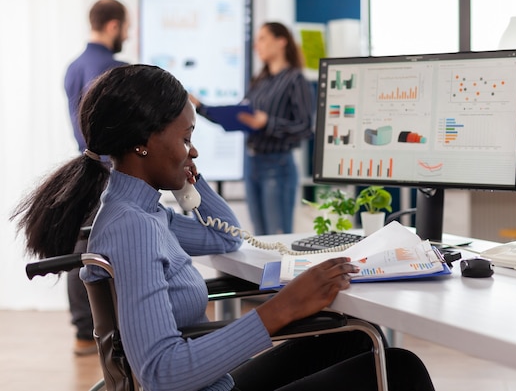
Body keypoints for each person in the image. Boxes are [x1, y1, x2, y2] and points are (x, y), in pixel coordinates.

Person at [12, 64, 435, 391]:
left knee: (355, 340)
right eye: (185, 138)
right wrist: (284, 307)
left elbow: (224, 236)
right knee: (400, 368)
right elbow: (161, 374)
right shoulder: (132, 227)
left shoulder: (139, 210)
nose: (193, 149)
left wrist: (189, 183)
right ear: (143, 143)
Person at [192, 22, 314, 236]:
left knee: (277, 236)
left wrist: (268, 123)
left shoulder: (296, 80)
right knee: (260, 235)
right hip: (253, 164)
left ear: (281, 41)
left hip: (278, 165)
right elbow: (240, 113)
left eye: (262, 38)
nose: (257, 46)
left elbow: (305, 128)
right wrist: (202, 108)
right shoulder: (260, 81)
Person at [63, 0, 130, 356]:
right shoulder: (112, 68)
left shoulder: (74, 66)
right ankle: (96, 332)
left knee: (84, 248)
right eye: (127, 27)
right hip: (108, 171)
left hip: (84, 168)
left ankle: (83, 331)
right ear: (114, 25)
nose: (128, 34)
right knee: (95, 251)